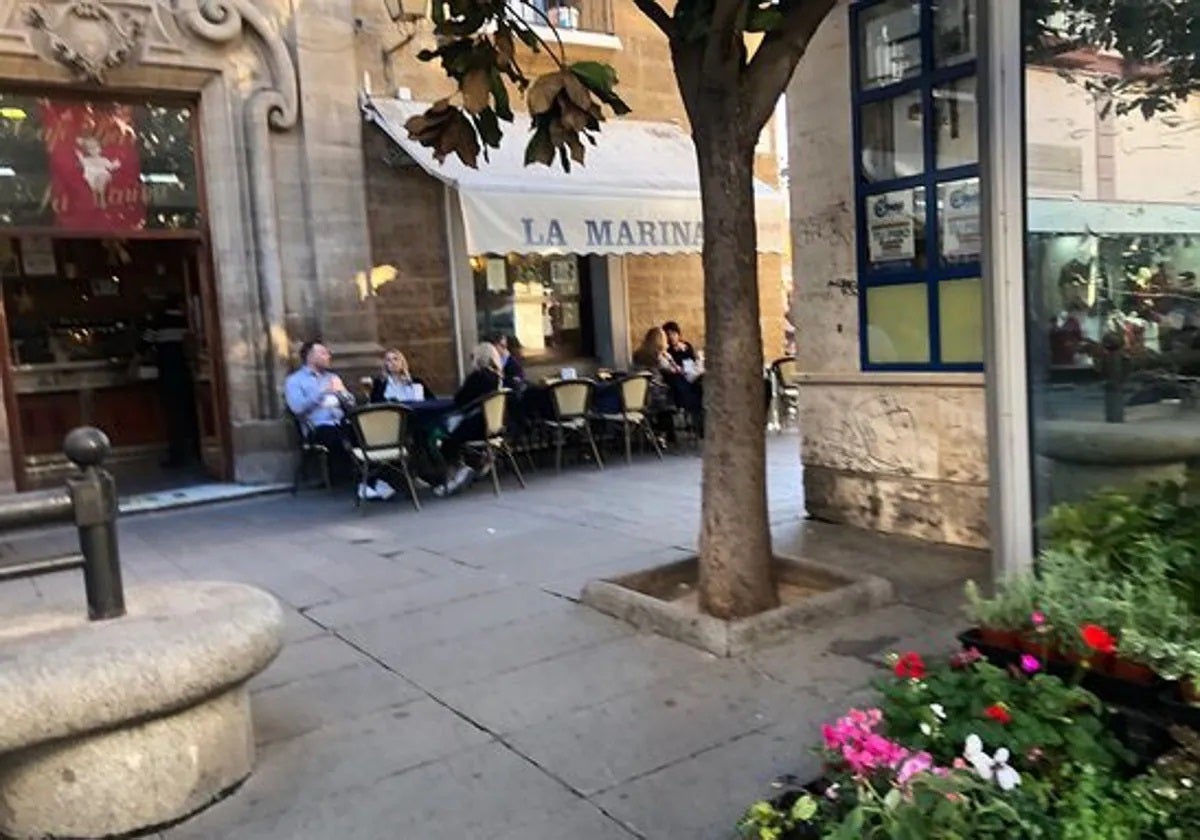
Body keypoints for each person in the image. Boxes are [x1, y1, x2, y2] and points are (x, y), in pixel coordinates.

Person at [284, 340, 395, 501]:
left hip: (342, 422)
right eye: (323, 353)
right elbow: (297, 408)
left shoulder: (333, 377)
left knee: (369, 434)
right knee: (344, 438)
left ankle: (373, 481)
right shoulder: (295, 381)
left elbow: (351, 404)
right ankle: (366, 482)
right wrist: (322, 392)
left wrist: (342, 393)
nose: (328, 356)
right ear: (310, 356)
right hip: (318, 427)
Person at [136, 292, 198, 468]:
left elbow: (143, 347)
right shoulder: (190, 322)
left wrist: (131, 367)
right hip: (187, 374)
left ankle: (177, 457)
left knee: (174, 417)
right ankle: (198, 452)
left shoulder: (157, 322)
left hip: (168, 376)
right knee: (191, 416)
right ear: (181, 305)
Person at [434, 343, 503, 497]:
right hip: (493, 426)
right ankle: (480, 462)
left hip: (475, 425)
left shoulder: (477, 376)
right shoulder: (497, 377)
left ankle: (459, 471)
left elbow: (459, 399)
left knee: (444, 438)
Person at [370, 349, 434, 403]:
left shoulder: (416, 381)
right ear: (386, 364)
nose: (393, 362)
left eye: (396, 359)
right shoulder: (380, 384)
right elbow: (375, 403)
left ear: (402, 362)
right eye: (389, 360)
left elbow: (432, 401)